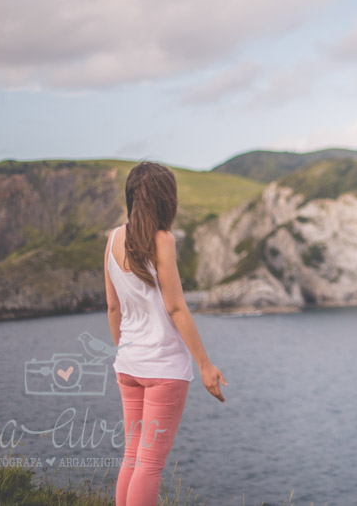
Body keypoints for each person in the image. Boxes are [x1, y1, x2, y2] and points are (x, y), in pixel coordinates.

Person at [104, 162, 228, 506]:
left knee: (132, 456)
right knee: (150, 464)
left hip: (128, 365)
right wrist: (205, 365)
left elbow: (113, 308)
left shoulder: (113, 238)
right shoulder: (163, 240)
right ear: (165, 199)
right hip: (163, 370)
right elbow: (176, 307)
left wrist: (127, 351)